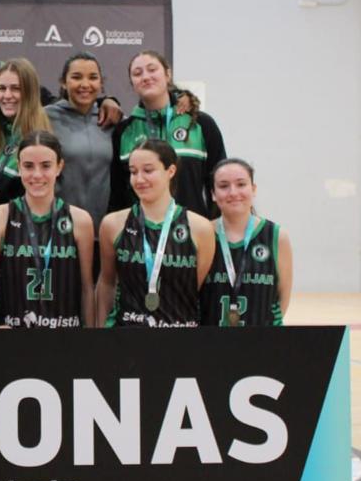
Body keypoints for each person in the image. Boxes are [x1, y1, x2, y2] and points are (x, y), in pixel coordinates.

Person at [0, 131, 95, 329]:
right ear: (19, 167)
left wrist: (93, 345)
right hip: (14, 337)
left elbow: (87, 289)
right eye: (28, 166)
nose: (37, 175)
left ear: (59, 167)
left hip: (65, 340)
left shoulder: (80, 220)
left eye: (46, 165)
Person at [98, 139, 215, 328]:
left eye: (148, 170)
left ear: (171, 171)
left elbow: (195, 288)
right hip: (125, 338)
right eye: (133, 172)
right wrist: (101, 334)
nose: (139, 179)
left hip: (179, 337)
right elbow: (106, 283)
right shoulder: (112, 224)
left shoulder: (200, 228)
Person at [109, 50, 226, 217]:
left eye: (152, 69)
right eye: (137, 73)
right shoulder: (123, 132)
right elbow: (118, 194)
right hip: (140, 236)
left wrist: (215, 228)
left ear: (168, 74)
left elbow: (219, 183)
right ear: (132, 83)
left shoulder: (200, 123)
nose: (146, 76)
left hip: (193, 231)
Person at [201, 158, 293, 326]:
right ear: (213, 194)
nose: (233, 192)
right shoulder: (203, 234)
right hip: (211, 344)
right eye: (223, 186)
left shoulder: (276, 236)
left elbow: (282, 298)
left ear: (253, 189)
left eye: (241, 184)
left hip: (262, 344)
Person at [45, 51, 116, 238]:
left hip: (103, 233)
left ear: (101, 84)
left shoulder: (113, 121)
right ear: (63, 82)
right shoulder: (44, 118)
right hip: (57, 231)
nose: (85, 84)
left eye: (93, 77)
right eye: (76, 77)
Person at [0, 58, 53, 218]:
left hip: (21, 237)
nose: (7, 95)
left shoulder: (44, 139)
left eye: (16, 88)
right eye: (1, 88)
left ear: (30, 92)